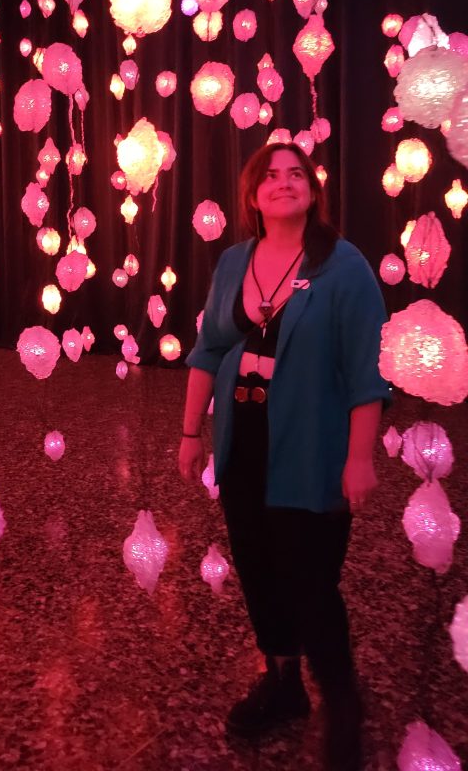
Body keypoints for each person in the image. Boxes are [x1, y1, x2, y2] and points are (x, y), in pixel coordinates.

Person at [178, 143, 390, 771]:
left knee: (312, 581)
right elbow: (208, 350)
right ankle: (284, 680)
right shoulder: (233, 263)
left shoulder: (343, 267)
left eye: (296, 174)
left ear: (313, 191)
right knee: (259, 567)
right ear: (252, 196)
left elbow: (367, 375)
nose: (283, 183)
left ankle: (343, 700)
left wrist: (360, 458)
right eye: (270, 176)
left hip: (313, 448)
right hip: (243, 443)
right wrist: (191, 433)